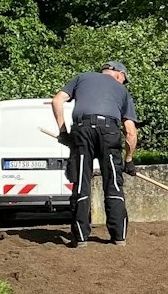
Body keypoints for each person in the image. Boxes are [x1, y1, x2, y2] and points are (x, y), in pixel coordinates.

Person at [52, 60, 139, 247]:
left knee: (82, 181)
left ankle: (81, 238)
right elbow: (131, 132)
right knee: (113, 183)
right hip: (109, 131)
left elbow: (57, 100)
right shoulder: (122, 91)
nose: (123, 84)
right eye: (124, 80)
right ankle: (119, 237)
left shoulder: (82, 78)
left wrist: (63, 131)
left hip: (82, 130)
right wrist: (129, 160)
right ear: (119, 75)